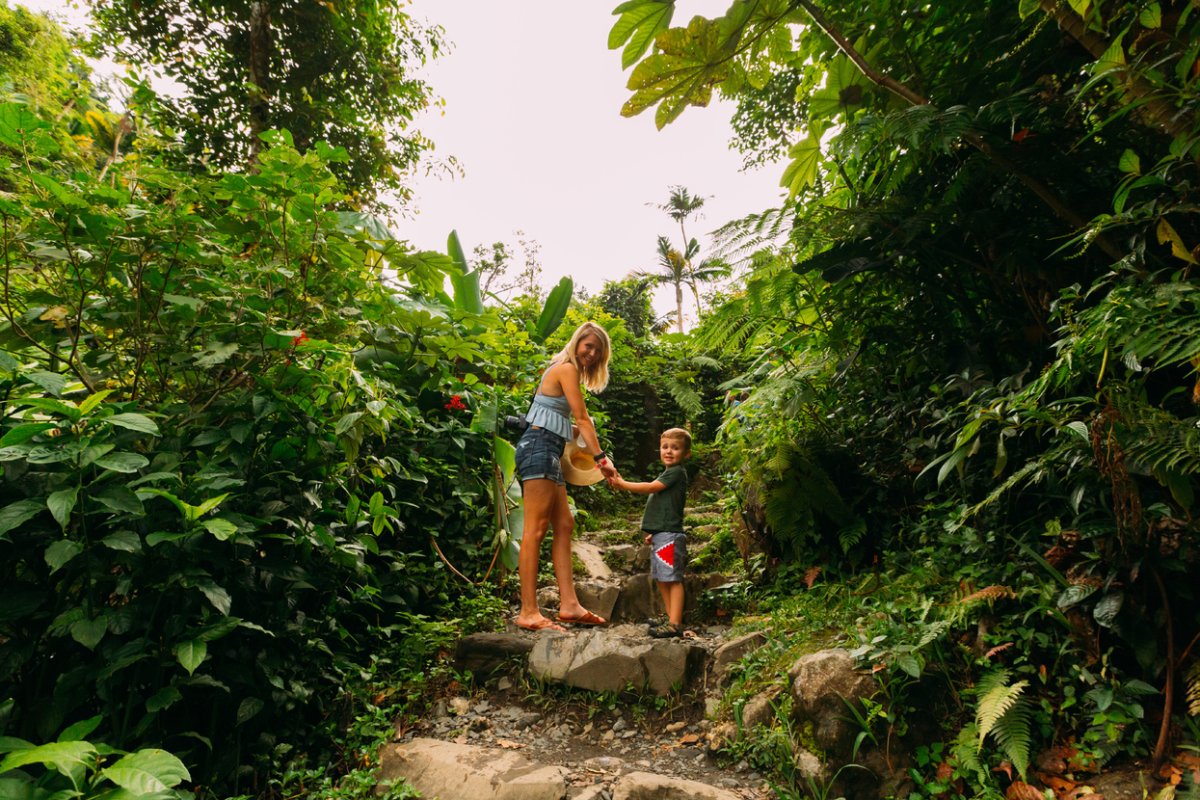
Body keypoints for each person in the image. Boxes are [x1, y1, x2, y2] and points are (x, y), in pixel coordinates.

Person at [513, 321, 617, 633]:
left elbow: (562, 421)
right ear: (577, 343)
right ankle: (528, 612)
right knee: (535, 530)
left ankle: (569, 604)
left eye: (598, 351)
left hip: (549, 449)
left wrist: (581, 436)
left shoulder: (563, 371)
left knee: (564, 524)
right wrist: (601, 458)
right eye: (589, 346)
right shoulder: (566, 368)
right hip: (538, 449)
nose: (593, 353)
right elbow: (582, 418)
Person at [606, 427, 693, 638]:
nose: (669, 451)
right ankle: (669, 616)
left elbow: (650, 487)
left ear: (686, 454)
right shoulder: (668, 472)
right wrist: (655, 532)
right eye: (665, 447)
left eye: (675, 448)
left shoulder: (676, 472)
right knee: (663, 577)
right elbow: (665, 507)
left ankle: (674, 623)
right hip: (663, 535)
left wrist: (622, 484)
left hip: (670, 535)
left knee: (673, 579)